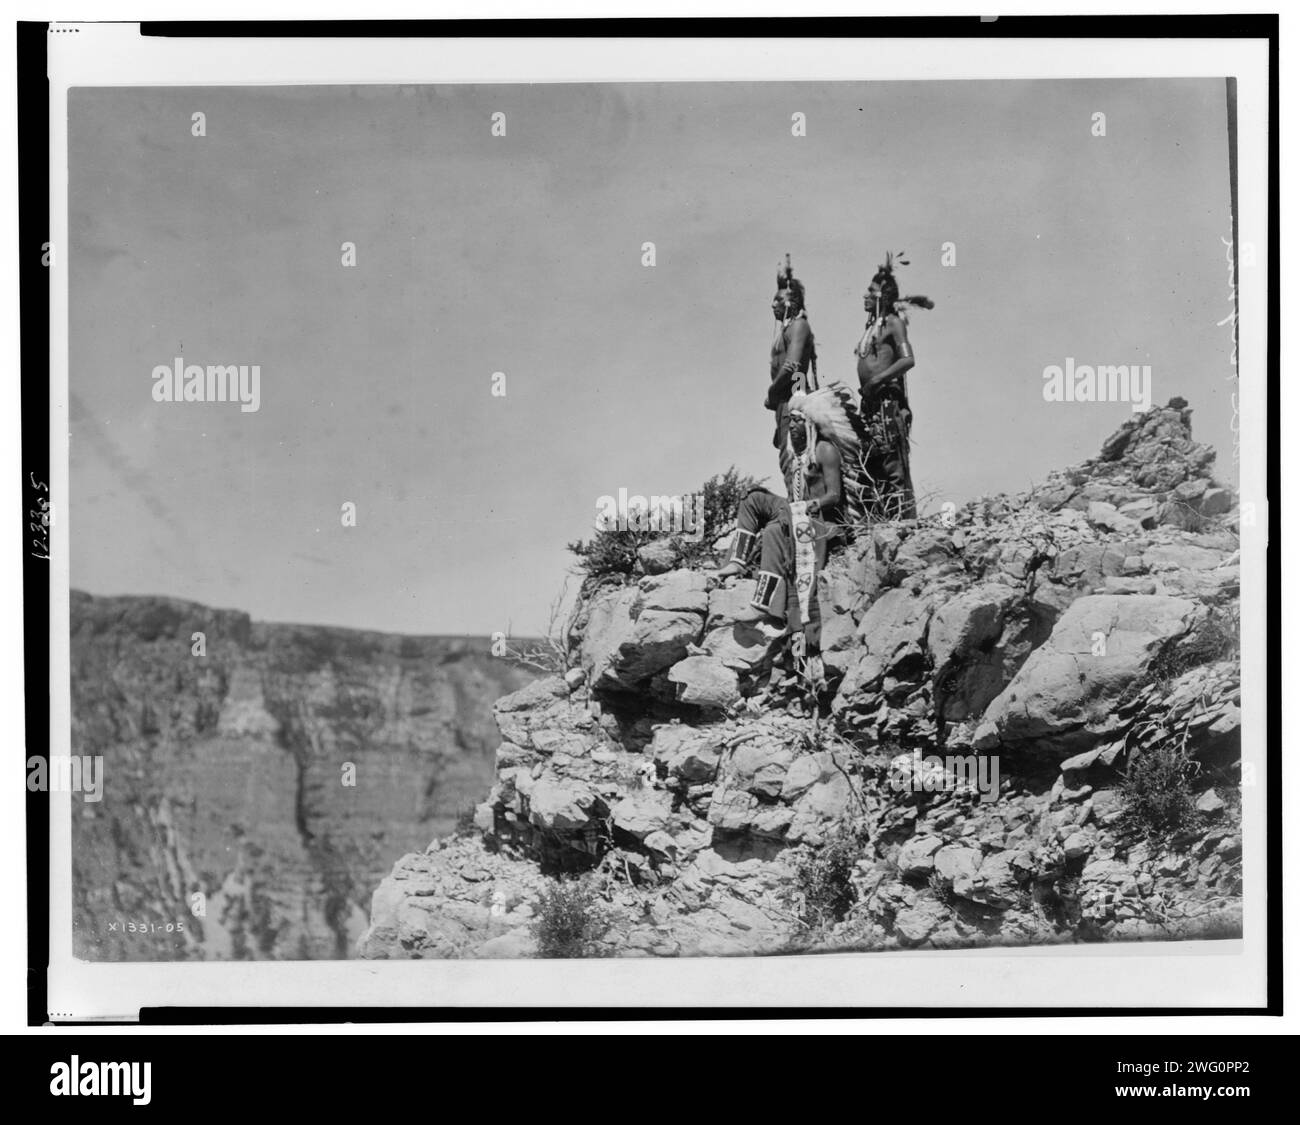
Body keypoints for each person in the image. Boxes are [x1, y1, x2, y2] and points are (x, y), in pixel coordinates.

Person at [716, 386, 860, 651]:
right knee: (753, 498)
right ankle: (737, 561)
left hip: (823, 522)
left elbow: (834, 496)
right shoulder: (796, 456)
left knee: (772, 531)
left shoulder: (825, 450)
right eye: (790, 420)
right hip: (797, 511)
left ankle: (761, 604)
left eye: (798, 421)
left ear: (811, 424)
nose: (792, 426)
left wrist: (804, 507)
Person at [854, 252, 933, 521]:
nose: (865, 294)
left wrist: (878, 380)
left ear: (883, 296)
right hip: (871, 404)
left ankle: (902, 523)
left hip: (887, 402)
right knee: (874, 461)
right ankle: (883, 520)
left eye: (871, 290)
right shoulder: (872, 327)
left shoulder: (893, 323)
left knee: (893, 462)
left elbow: (908, 359)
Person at [765, 255, 817, 488]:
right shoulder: (788, 329)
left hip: (795, 399)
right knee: (787, 461)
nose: (772, 304)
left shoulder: (799, 326)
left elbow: (793, 367)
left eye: (778, 300)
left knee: (795, 461)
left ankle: (802, 515)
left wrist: (772, 393)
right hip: (784, 403)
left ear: (790, 303)